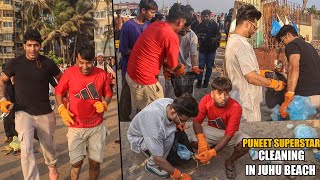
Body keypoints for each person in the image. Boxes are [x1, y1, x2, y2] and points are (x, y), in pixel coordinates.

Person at [0, 29, 62, 180]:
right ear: (24, 46)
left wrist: (63, 101)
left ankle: (52, 166)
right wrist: (2, 98)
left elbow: (62, 80)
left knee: (49, 147)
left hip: (45, 112)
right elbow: (2, 79)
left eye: (36, 45)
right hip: (23, 113)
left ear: (40, 46)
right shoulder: (15, 63)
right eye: (29, 45)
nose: (32, 49)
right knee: (26, 150)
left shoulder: (48, 63)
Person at [55, 42, 113, 180]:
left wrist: (105, 103)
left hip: (96, 127)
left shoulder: (102, 74)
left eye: (88, 63)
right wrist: (61, 108)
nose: (85, 67)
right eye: (81, 62)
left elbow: (108, 93)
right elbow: (58, 91)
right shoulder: (69, 73)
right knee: (76, 163)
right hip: (76, 127)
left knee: (94, 163)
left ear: (94, 60)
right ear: (76, 59)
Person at [225, 4, 285, 122]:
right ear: (247, 23)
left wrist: (261, 72)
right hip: (246, 102)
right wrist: (273, 84)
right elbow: (251, 77)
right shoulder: (241, 45)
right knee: (249, 136)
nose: (255, 31)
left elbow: (245, 70)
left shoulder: (233, 40)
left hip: (239, 97)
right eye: (255, 27)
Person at [126, 3, 188, 113]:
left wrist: (165, 66)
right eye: (184, 25)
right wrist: (181, 68)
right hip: (143, 79)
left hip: (132, 74)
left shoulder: (156, 24)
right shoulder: (171, 35)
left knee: (144, 111)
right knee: (158, 113)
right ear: (180, 22)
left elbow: (154, 51)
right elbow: (174, 65)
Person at [188, 77, 250, 179]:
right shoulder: (206, 100)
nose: (223, 97)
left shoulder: (235, 107)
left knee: (246, 143)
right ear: (212, 93)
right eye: (219, 94)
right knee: (193, 142)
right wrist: (202, 141)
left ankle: (230, 161)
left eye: (226, 94)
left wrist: (212, 153)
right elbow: (197, 122)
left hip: (229, 134)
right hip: (211, 130)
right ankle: (210, 147)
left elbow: (228, 136)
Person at [127, 93, 198, 179]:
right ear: (172, 113)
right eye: (182, 120)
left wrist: (178, 124)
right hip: (139, 137)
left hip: (152, 129)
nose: (183, 123)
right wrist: (178, 174)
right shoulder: (154, 127)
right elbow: (158, 158)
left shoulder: (170, 103)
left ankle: (160, 154)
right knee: (169, 138)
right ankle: (151, 165)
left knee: (173, 134)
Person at [119, 0, 158, 122]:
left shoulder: (149, 26)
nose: (153, 15)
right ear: (143, 10)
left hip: (145, 68)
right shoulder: (128, 26)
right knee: (126, 94)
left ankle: (141, 119)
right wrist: (141, 54)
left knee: (143, 94)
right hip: (128, 67)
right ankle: (124, 119)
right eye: (152, 12)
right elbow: (124, 49)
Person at [276, 25, 320, 119]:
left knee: (298, 128)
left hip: (305, 97)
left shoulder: (292, 45)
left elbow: (293, 67)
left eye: (283, 41)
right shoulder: (308, 45)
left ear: (288, 35)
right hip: (317, 94)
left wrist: (289, 95)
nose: (284, 45)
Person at [164, 5, 202, 98]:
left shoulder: (192, 36)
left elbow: (193, 54)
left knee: (186, 96)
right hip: (171, 70)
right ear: (180, 24)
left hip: (186, 71)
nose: (185, 33)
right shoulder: (170, 34)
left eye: (188, 30)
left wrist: (195, 66)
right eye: (183, 30)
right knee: (170, 95)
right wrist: (166, 67)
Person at [194, 9, 221, 88]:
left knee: (209, 66)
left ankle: (206, 81)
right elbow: (195, 35)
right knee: (201, 66)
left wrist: (215, 39)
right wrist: (198, 37)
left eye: (206, 16)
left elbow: (219, 35)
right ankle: (199, 81)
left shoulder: (214, 25)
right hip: (202, 49)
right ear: (201, 17)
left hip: (212, 49)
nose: (205, 18)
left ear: (209, 16)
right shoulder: (199, 25)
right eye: (203, 16)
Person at [1, 62, 18, 143]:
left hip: (15, 103)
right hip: (6, 103)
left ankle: (15, 137)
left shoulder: (16, 79)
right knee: (7, 120)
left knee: (14, 120)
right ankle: (9, 136)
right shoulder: (4, 82)